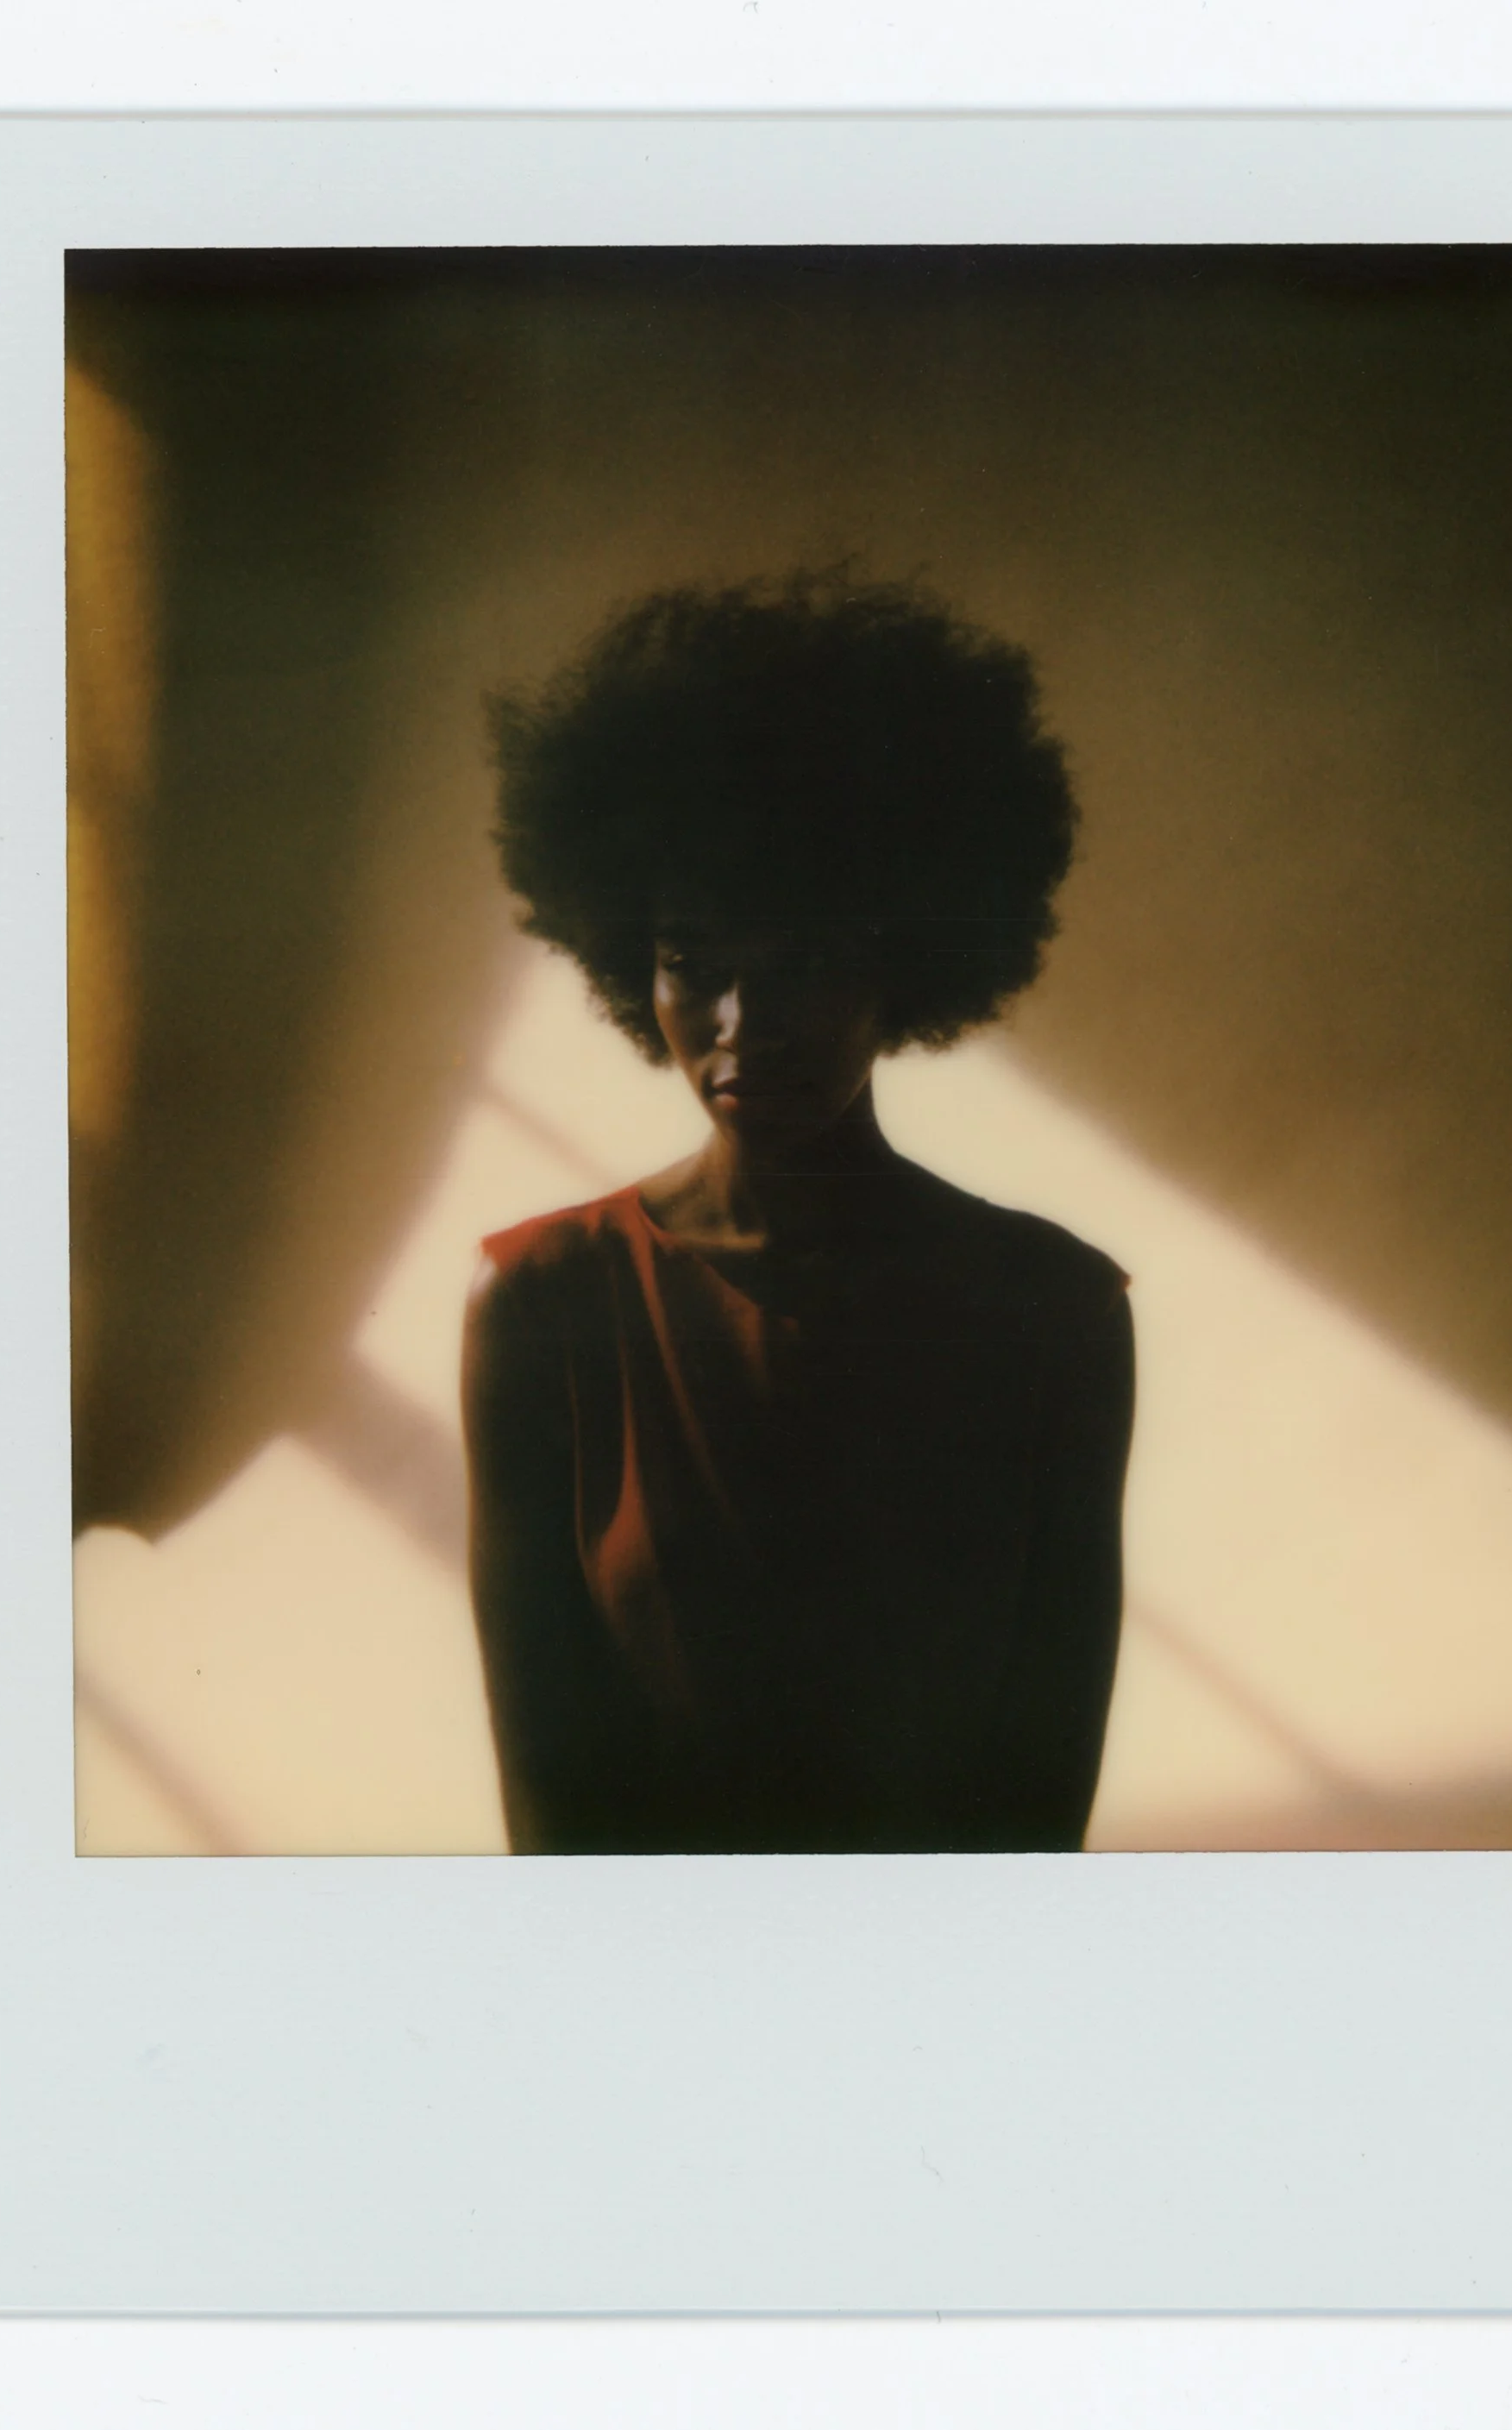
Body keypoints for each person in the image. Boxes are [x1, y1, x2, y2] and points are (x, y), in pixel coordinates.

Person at [463, 572, 1134, 1854]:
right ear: (632, 963)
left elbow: (1038, 1812)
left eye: (804, 963)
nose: (740, 1023)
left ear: (906, 962)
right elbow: (551, 1818)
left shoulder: (1054, 1314)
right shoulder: (544, 1306)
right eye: (693, 960)